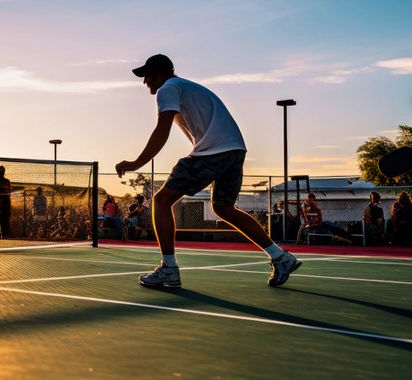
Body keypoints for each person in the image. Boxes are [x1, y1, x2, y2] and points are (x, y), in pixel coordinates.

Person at [116, 54, 300, 288]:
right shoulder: (187, 86)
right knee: (223, 208)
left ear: (159, 73)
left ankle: (169, 269)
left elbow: (162, 131)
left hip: (214, 151)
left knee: (162, 201)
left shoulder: (168, 89)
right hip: (235, 150)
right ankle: (280, 257)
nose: (145, 82)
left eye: (147, 76)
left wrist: (134, 163)